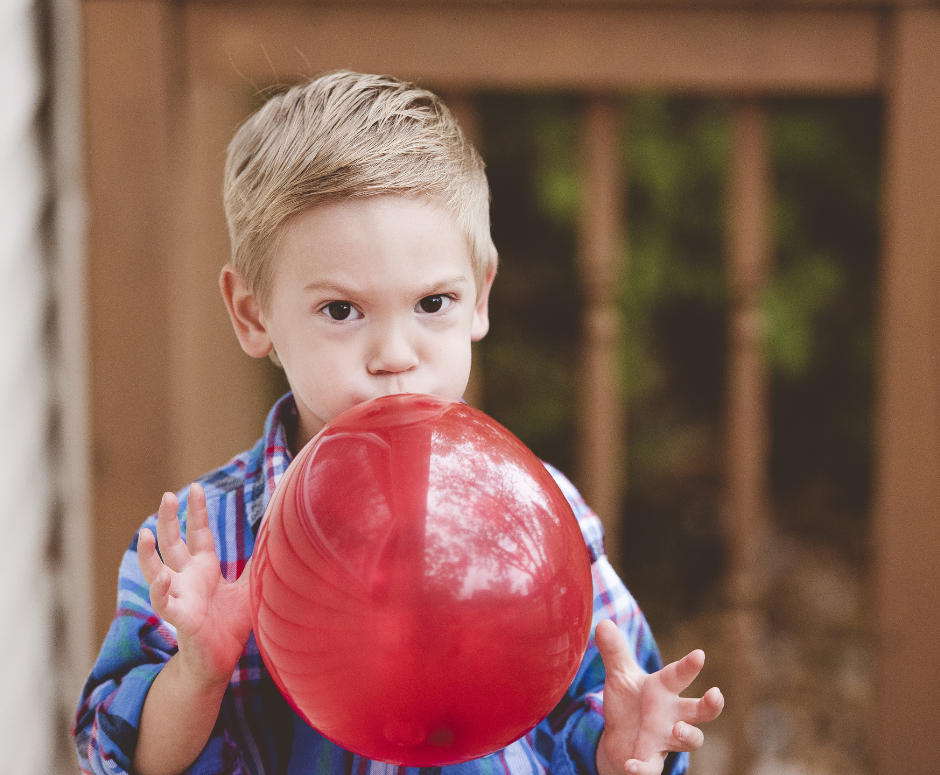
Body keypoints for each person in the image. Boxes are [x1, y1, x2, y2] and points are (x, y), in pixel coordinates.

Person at [73, 71, 723, 775]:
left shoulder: (543, 517)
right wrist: (197, 671)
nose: (394, 356)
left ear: (481, 295)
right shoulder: (202, 552)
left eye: (433, 302)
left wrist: (624, 750)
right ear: (253, 314)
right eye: (342, 311)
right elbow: (124, 760)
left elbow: (603, 714)